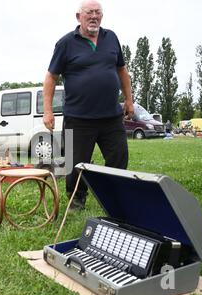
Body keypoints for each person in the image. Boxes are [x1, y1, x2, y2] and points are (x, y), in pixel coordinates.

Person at [43, 0, 134, 211]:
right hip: (78, 117)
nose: (94, 17)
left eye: (98, 13)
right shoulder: (65, 43)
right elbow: (51, 77)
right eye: (89, 13)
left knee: (119, 157)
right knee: (75, 163)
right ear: (78, 17)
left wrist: (129, 99)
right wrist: (48, 111)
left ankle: (113, 195)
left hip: (111, 116)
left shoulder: (111, 38)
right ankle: (76, 199)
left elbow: (122, 70)